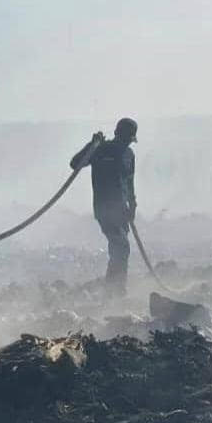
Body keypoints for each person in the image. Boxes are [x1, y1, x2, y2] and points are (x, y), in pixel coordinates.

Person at [71, 118, 138, 295]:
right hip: (104, 209)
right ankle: (115, 292)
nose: (126, 143)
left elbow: (129, 182)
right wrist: (91, 145)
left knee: (120, 250)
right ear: (118, 134)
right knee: (121, 248)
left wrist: (132, 205)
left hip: (121, 212)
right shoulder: (101, 149)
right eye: (126, 139)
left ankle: (115, 291)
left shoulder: (129, 154)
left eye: (128, 140)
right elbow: (75, 164)